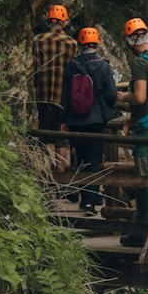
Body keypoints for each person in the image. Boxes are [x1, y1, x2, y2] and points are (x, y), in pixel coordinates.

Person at [116, 17, 148, 249]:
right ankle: (142, 231)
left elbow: (140, 97)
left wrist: (124, 97)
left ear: (133, 39)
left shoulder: (141, 63)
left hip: (147, 129)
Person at [60, 28, 118, 214]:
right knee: (94, 160)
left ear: (80, 43)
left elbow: (65, 95)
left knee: (81, 159)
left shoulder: (71, 65)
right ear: (97, 43)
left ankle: (83, 196)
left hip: (76, 119)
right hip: (96, 120)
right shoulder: (103, 66)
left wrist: (64, 119)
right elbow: (111, 94)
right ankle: (90, 201)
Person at [32, 4, 77, 137]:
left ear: (49, 20)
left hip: (42, 94)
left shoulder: (37, 40)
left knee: (43, 132)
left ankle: (43, 157)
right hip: (63, 95)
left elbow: (32, 66)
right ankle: (59, 159)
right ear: (64, 22)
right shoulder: (72, 43)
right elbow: (75, 71)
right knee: (60, 138)